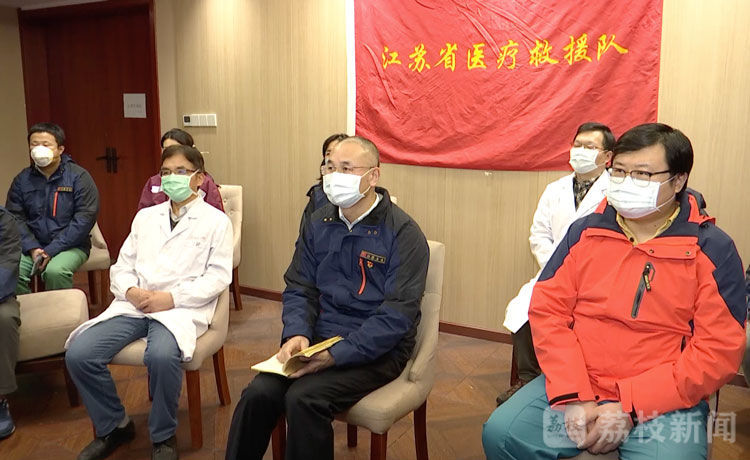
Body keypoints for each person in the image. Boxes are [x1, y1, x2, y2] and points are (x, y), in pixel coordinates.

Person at [483, 123, 746, 460]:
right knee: (502, 435)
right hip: (581, 383)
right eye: (619, 171)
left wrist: (630, 406)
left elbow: (718, 349)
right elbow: (548, 311)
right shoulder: (584, 233)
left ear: (678, 180)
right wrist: (575, 395)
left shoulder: (712, 250)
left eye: (642, 174)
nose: (626, 182)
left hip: (666, 400)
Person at [225, 136, 429, 460]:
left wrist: (336, 354)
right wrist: (297, 333)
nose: (334, 176)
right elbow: (299, 286)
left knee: (304, 399)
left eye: (346, 168)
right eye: (330, 167)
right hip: (319, 338)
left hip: (380, 348)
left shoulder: (403, 233)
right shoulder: (319, 221)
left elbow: (397, 316)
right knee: (258, 394)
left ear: (373, 176)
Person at [65, 145, 233, 460]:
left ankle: (163, 436)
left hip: (180, 309)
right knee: (79, 353)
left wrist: (171, 298)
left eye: (181, 172)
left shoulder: (216, 222)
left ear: (199, 178)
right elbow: (122, 265)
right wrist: (130, 291)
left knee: (161, 355)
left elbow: (218, 277)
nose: (172, 178)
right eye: (166, 172)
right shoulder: (146, 217)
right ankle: (114, 425)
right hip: (135, 305)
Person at [498, 122, 614, 405]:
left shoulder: (616, 192)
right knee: (525, 309)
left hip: (598, 279)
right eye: (578, 145)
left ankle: (571, 384)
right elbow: (539, 234)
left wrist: (580, 272)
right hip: (554, 271)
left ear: (608, 156)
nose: (581, 151)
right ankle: (527, 381)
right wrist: (558, 267)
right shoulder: (555, 189)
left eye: (590, 147)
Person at [5, 122, 99, 294]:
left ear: (60, 149)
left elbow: (84, 218)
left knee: (55, 272)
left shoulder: (79, 177)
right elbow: (14, 217)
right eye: (34, 144)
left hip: (71, 246)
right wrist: (32, 247)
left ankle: (60, 312)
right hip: (31, 247)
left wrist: (51, 249)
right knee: (10, 272)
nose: (39, 149)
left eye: (46, 144)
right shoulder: (22, 180)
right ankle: (27, 310)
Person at [137, 128, 224, 211]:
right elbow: (144, 213)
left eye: (176, 148)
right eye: (166, 149)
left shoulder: (203, 182)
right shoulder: (154, 182)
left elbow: (216, 214)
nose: (171, 153)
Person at [0, 206, 21, 440]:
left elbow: (7, 268)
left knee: (4, 319)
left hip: (1, 297)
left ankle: (0, 399)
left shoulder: (4, 221)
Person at [299, 133, 348, 230]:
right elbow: (306, 233)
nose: (332, 157)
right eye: (328, 153)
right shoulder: (317, 194)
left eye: (338, 153)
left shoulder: (356, 191)